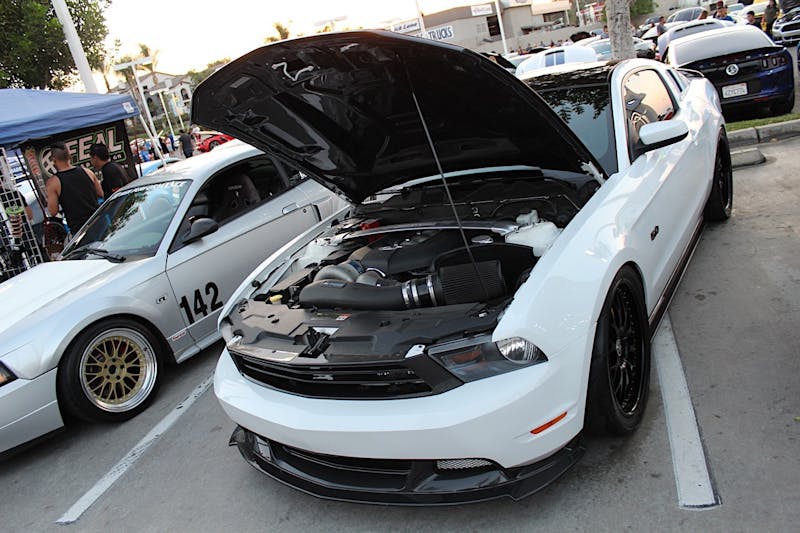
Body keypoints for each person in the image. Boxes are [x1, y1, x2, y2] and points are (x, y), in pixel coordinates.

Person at [46, 142, 103, 233]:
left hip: (80, 230)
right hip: (99, 221)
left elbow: (53, 211)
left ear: (53, 159)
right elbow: (101, 193)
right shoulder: (88, 172)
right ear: (70, 156)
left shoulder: (53, 183)